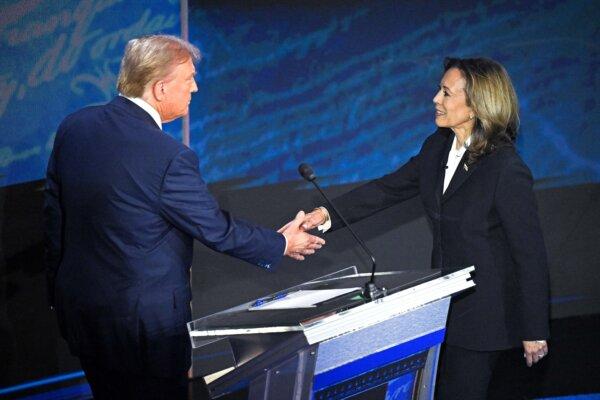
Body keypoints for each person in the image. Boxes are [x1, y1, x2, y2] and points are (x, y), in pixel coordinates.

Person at [43, 34, 325, 399]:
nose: (195, 86)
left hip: (84, 314)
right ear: (160, 88)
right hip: (146, 332)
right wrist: (282, 242)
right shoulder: (167, 156)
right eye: (188, 78)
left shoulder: (76, 127)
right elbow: (215, 228)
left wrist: (58, 292)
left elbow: (54, 215)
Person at [299, 57, 549, 399]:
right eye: (439, 90)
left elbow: (529, 252)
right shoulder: (438, 146)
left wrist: (534, 328)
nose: (436, 98)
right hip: (442, 311)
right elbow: (388, 189)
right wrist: (325, 214)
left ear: (476, 105)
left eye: (446, 92)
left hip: (485, 317)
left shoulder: (505, 168)